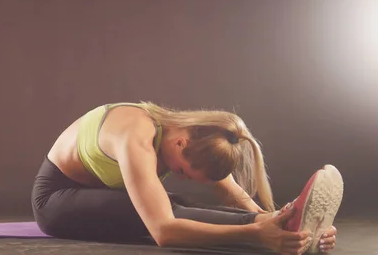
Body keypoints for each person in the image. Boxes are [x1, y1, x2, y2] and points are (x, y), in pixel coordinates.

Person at [31, 102, 343, 254]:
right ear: (181, 144)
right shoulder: (135, 137)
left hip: (92, 194)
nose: (180, 175)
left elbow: (235, 196)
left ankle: (278, 225)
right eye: (182, 171)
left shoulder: (194, 138)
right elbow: (164, 232)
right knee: (162, 211)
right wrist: (257, 233)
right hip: (55, 201)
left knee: (174, 203)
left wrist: (277, 219)